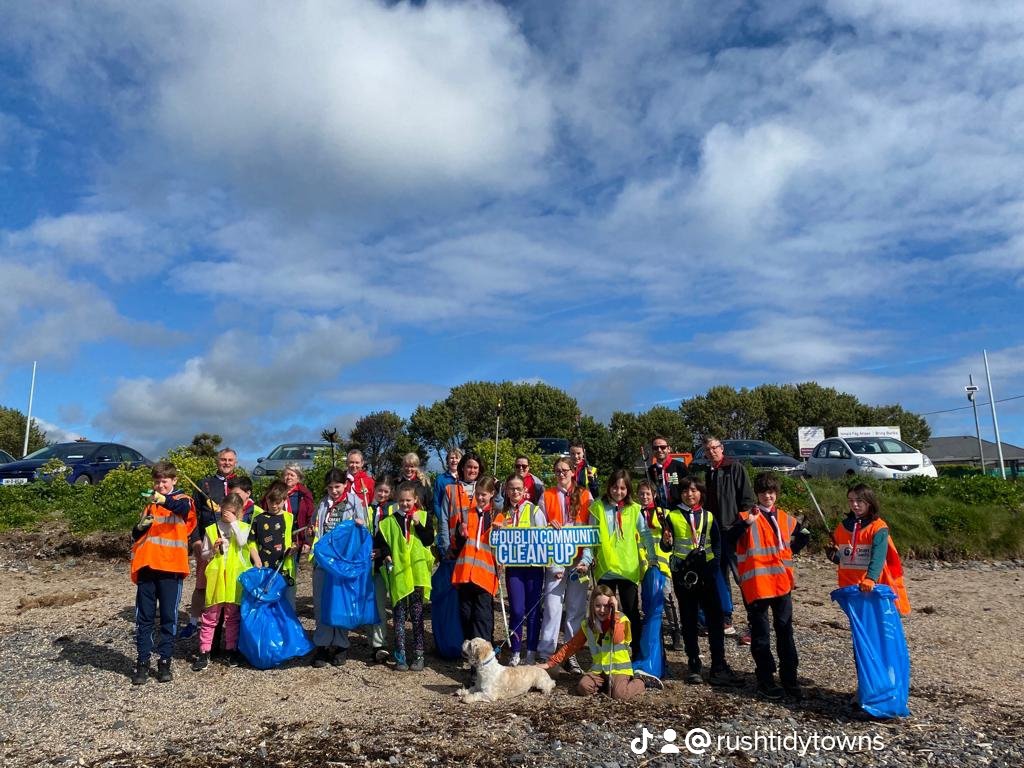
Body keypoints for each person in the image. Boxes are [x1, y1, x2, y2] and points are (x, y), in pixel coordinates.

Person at [728, 472, 810, 699]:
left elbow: (803, 534)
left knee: (785, 631)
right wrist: (746, 524)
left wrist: (792, 549)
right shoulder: (746, 516)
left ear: (776, 494)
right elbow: (728, 539)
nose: (768, 496)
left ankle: (789, 679)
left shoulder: (784, 517)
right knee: (761, 634)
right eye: (764, 492)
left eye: (771, 492)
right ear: (757, 494)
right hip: (756, 586)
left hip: (782, 585)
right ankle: (765, 679)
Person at [659, 477, 736, 686]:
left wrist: (714, 568)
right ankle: (693, 664)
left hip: (707, 573)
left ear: (700, 493)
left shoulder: (709, 516)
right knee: (689, 619)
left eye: (693, 490)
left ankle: (718, 664)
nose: (689, 494)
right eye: (685, 491)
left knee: (715, 618)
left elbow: (717, 545)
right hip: (684, 574)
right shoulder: (672, 516)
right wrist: (665, 542)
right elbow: (666, 547)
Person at [130, 461, 196, 684]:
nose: (160, 486)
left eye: (164, 482)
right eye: (157, 482)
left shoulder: (183, 499)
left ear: (174, 480)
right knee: (144, 618)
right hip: (148, 566)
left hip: (172, 568)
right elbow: (136, 534)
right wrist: (139, 528)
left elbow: (183, 511)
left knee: (169, 617)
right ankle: (142, 662)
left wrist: (164, 500)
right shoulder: (150, 504)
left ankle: (165, 661)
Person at [582, 469, 655, 657]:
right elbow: (591, 538)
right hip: (605, 569)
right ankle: (606, 650)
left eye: (623, 488)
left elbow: (645, 533)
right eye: (615, 487)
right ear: (609, 487)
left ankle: (636, 651)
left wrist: (652, 557)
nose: (618, 491)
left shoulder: (634, 509)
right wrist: (586, 559)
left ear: (628, 489)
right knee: (603, 611)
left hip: (628, 569)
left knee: (631, 611)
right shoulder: (598, 507)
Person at [538, 585, 652, 701]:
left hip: (619, 670)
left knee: (619, 695)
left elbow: (617, 639)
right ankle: (607, 685)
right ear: (592, 605)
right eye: (598, 606)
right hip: (599, 671)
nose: (602, 610)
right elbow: (571, 646)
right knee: (583, 687)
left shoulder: (621, 619)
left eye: (607, 606)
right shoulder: (587, 625)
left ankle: (641, 681)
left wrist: (615, 611)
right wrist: (550, 664)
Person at [537, 457, 593, 671]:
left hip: (578, 559)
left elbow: (591, 527)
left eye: (565, 470)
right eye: (557, 470)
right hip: (556, 558)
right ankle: (547, 653)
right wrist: (548, 525)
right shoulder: (547, 495)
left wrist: (587, 558)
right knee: (552, 607)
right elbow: (539, 527)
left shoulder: (585, 495)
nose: (561, 474)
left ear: (573, 472)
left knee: (576, 608)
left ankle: (570, 653)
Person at [310, 467, 367, 667]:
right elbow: (315, 527)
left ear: (345, 485)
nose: (334, 490)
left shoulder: (355, 503)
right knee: (321, 602)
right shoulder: (323, 504)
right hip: (324, 561)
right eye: (330, 487)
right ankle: (323, 644)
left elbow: (364, 530)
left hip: (344, 562)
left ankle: (341, 644)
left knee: (342, 602)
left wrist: (360, 525)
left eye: (338, 486)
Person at [192, 493, 255, 671]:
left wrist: (234, 522)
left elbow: (243, 542)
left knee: (232, 617)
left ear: (238, 512)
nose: (226, 514)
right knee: (210, 616)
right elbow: (204, 554)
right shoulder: (212, 529)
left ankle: (230, 650)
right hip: (216, 577)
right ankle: (205, 651)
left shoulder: (243, 527)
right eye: (224, 510)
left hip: (235, 579)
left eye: (231, 512)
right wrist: (212, 550)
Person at [180, 447, 238, 640]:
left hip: (234, 544)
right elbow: (193, 516)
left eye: (230, 460)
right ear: (217, 461)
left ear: (235, 463)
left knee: (231, 587)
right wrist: (195, 540)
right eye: (223, 459)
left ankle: (228, 626)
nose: (227, 463)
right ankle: (194, 622)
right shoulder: (205, 484)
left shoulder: (239, 484)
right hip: (209, 542)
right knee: (202, 585)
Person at [702, 435, 755, 642]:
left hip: (734, 531)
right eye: (708, 449)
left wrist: (742, 527)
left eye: (714, 448)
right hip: (715, 533)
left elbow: (747, 499)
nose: (712, 452)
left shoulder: (735, 468)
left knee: (741, 577)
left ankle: (753, 622)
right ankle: (726, 619)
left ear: (721, 448)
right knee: (719, 578)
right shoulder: (709, 472)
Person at [376, 482, 433, 672]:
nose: (405, 504)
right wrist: (386, 554)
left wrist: (419, 524)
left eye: (409, 500)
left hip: (417, 576)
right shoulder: (388, 521)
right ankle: (400, 656)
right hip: (399, 576)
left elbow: (428, 540)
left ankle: (419, 655)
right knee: (399, 618)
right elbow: (382, 541)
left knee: (417, 617)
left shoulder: (423, 517)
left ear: (415, 499)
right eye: (401, 501)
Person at [827, 484, 910, 615]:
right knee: (858, 624)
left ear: (869, 502)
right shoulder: (842, 526)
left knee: (877, 621)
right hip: (849, 584)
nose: (854, 505)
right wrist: (832, 555)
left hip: (872, 584)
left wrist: (871, 578)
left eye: (859, 501)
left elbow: (879, 556)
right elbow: (843, 558)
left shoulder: (878, 527)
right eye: (851, 500)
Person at [494, 475, 547, 666]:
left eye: (518, 488)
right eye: (511, 489)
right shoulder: (503, 512)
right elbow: (496, 540)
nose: (515, 492)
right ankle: (515, 651)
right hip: (514, 569)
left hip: (533, 568)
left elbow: (544, 536)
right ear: (506, 491)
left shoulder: (534, 510)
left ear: (524, 490)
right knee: (516, 610)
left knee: (533, 611)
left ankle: (531, 652)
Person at [449, 474, 500, 664]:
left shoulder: (496, 516)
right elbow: (457, 544)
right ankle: (471, 656)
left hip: (484, 577)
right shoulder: (465, 514)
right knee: (466, 616)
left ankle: (484, 661)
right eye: (478, 494)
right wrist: (460, 535)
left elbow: (500, 547)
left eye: (484, 495)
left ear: (492, 494)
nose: (480, 498)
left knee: (482, 618)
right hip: (465, 576)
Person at [636, 480, 682, 651]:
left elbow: (669, 536)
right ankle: (651, 633)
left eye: (648, 493)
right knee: (647, 599)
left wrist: (665, 527)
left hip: (662, 564)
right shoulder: (635, 513)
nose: (645, 497)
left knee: (667, 597)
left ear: (654, 495)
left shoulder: (663, 513)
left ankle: (675, 632)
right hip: (643, 563)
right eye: (641, 493)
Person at [249, 481, 297, 607]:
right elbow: (251, 541)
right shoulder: (259, 519)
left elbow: (294, 539)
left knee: (285, 600)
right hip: (264, 565)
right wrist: (256, 559)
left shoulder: (289, 517)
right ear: (267, 500)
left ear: (284, 500)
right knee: (264, 598)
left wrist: (294, 548)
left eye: (278, 503)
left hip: (284, 565)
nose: (274, 506)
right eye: (271, 502)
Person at [367, 476, 397, 662]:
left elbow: (393, 536)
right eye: (380, 491)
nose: (383, 494)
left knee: (380, 604)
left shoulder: (392, 509)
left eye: (386, 492)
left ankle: (381, 643)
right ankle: (374, 642)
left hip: (383, 562)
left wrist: (382, 551)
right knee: (369, 604)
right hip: (366, 563)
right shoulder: (367, 509)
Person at [437, 452, 482, 556]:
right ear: (462, 468)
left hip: (479, 544)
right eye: (469, 467)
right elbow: (444, 519)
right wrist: (446, 545)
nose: (472, 470)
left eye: (476, 467)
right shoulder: (450, 489)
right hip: (457, 545)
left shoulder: (484, 489)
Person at [646, 436, 688, 509]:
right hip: (659, 510)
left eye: (663, 447)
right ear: (652, 451)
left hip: (679, 509)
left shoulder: (680, 466)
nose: (659, 450)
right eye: (656, 448)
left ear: (668, 449)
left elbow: (689, 488)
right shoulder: (650, 471)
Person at [433, 448, 463, 529]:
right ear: (447, 460)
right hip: (446, 522)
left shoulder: (466, 478)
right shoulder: (440, 479)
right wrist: (443, 520)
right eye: (451, 458)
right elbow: (436, 503)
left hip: (464, 523)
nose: (454, 460)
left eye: (457, 458)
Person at [399, 452, 433, 520]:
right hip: (400, 522)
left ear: (416, 467)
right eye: (406, 466)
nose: (409, 469)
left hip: (420, 521)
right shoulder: (397, 483)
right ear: (403, 466)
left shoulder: (423, 483)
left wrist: (427, 520)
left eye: (412, 466)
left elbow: (430, 505)